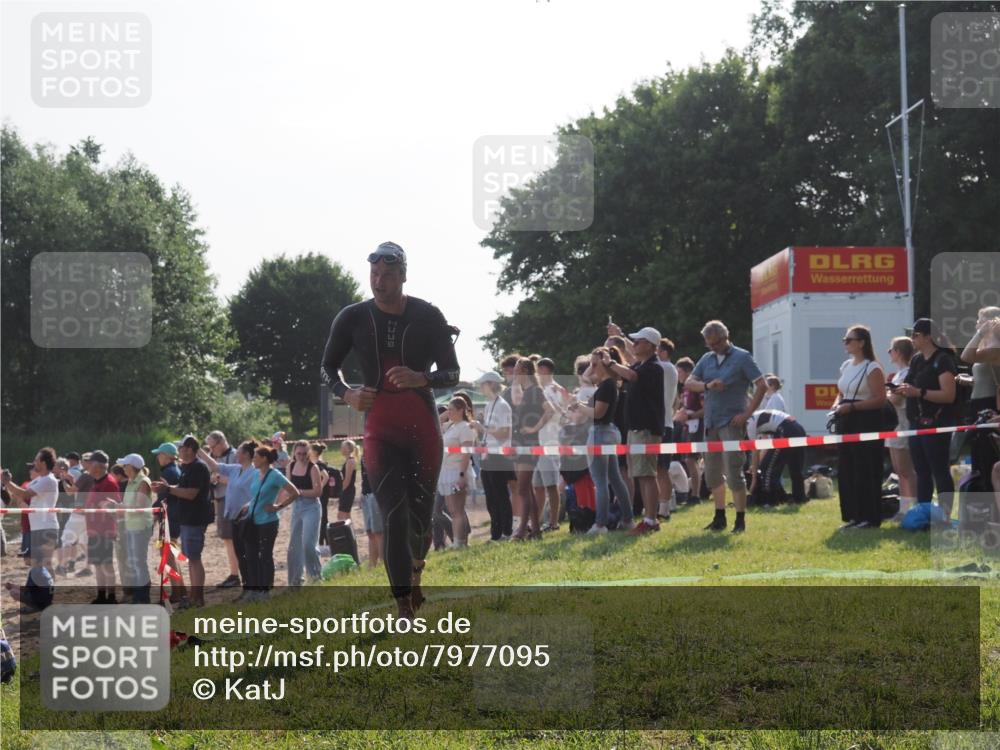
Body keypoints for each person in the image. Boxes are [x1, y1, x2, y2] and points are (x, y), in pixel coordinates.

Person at [321, 241, 460, 618]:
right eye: (373, 275)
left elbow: (452, 373)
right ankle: (403, 607)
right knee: (394, 516)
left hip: (422, 429)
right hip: (380, 427)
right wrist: (346, 394)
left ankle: (416, 573)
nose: (378, 283)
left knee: (419, 517)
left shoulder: (427, 315)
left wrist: (421, 378)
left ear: (403, 276)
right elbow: (327, 367)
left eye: (387, 275)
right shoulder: (351, 317)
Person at [686, 320, 767, 533]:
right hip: (711, 423)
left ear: (725, 337)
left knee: (733, 471)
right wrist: (707, 385)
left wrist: (747, 414)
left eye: (715, 343)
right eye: (709, 344)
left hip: (732, 422)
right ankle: (719, 516)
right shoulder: (706, 359)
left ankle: (740, 520)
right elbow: (688, 383)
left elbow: (762, 385)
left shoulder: (742, 357)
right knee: (712, 473)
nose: (712, 347)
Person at [603, 327, 665, 534]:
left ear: (649, 345)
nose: (635, 345)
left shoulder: (653, 367)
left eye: (638, 342)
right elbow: (630, 368)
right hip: (636, 428)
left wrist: (611, 363)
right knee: (641, 474)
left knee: (647, 475)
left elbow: (631, 375)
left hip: (646, 428)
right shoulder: (642, 364)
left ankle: (650, 520)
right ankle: (648, 519)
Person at [898, 318, 958, 519]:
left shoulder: (943, 359)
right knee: (921, 470)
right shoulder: (916, 360)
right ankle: (923, 514)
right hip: (917, 422)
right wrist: (900, 390)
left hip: (938, 423)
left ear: (928, 337)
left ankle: (946, 515)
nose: (912, 339)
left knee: (939, 469)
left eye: (915, 335)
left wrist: (919, 392)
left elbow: (948, 395)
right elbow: (909, 385)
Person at [570, 347, 632, 534]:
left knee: (600, 481)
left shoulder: (606, 386)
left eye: (595, 363)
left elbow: (598, 414)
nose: (592, 367)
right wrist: (597, 362)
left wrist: (579, 406)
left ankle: (601, 523)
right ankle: (627, 519)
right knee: (615, 479)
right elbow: (586, 377)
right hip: (608, 433)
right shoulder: (609, 384)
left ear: (605, 364)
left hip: (600, 433)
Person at [831, 325, 887, 529]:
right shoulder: (846, 365)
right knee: (847, 469)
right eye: (844, 340)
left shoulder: (872, 367)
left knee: (865, 469)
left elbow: (880, 399)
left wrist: (852, 407)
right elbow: (841, 392)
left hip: (867, 421)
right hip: (846, 421)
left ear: (862, 342)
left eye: (849, 340)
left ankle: (869, 517)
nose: (845, 343)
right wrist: (837, 405)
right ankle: (853, 515)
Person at [151, 436, 213, 608]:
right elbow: (181, 489)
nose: (180, 451)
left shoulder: (198, 467)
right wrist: (168, 489)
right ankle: (191, 597)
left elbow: (191, 493)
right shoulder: (187, 467)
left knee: (194, 559)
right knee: (191, 559)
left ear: (190, 449)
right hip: (186, 519)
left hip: (194, 519)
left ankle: (197, 598)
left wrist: (168, 489)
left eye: (182, 448)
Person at [199, 440, 260, 599]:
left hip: (247, 519)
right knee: (240, 553)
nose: (236, 453)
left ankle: (255, 588)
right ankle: (247, 588)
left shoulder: (255, 472)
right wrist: (198, 450)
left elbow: (258, 494)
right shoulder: (235, 469)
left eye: (239, 451)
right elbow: (214, 466)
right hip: (234, 518)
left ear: (246, 455)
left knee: (250, 554)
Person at [244, 444, 299, 599]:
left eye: (255, 456)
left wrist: (278, 506)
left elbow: (295, 492)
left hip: (268, 522)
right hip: (252, 520)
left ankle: (265, 591)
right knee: (251, 555)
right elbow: (255, 495)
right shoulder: (255, 474)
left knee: (265, 555)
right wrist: (247, 506)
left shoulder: (274, 475)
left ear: (264, 459)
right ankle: (254, 590)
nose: (252, 459)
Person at [510, 357, 555, 540]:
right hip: (521, 444)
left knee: (522, 488)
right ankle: (535, 530)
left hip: (529, 444)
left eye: (516, 370)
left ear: (524, 371)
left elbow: (550, 410)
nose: (514, 374)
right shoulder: (526, 391)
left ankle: (522, 529)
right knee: (526, 489)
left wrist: (534, 428)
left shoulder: (535, 391)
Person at [472, 371, 514, 541]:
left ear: (490, 384)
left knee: (500, 494)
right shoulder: (490, 405)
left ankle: (506, 531)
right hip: (489, 454)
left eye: (483, 384)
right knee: (491, 496)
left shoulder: (502, 405)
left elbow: (504, 433)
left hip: (499, 455)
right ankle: (496, 533)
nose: (481, 388)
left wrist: (482, 429)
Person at [3, 448, 59, 574]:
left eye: (36, 460)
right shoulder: (39, 480)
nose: (34, 463)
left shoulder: (48, 480)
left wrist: (7, 482)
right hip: (38, 527)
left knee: (44, 565)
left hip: (46, 527)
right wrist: (9, 485)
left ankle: (48, 592)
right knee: (39, 565)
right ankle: (45, 592)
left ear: (43, 463)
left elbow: (24, 494)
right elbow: (21, 495)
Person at [112, 454, 154, 603]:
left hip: (140, 527)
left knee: (138, 562)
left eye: (125, 465)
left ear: (131, 467)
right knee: (134, 561)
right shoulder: (132, 481)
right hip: (131, 526)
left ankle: (142, 597)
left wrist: (119, 507)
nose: (123, 468)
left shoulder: (142, 482)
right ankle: (139, 595)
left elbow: (139, 506)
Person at [886, 336, 918, 518]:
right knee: (899, 470)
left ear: (898, 352)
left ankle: (911, 508)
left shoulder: (907, 373)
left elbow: (897, 399)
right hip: (894, 424)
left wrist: (885, 396)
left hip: (902, 424)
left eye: (891, 350)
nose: (889, 354)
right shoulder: (898, 374)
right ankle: (903, 507)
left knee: (906, 470)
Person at [83, 451, 121, 603]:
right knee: (98, 565)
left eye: (90, 463)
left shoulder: (109, 483)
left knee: (106, 564)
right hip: (93, 531)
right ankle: (101, 595)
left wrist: (109, 506)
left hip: (104, 531)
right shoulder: (96, 481)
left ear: (98, 466)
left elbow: (117, 508)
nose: (87, 466)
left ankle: (111, 597)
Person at [746, 409, 807, 504]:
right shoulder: (758, 417)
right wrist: (755, 466)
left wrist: (754, 479)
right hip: (798, 429)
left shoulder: (749, 424)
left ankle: (770, 500)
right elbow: (765, 446)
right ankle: (799, 497)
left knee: (767, 469)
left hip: (785, 430)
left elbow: (755, 451)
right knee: (795, 468)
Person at [150, 442, 186, 602]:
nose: (158, 457)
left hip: (169, 517)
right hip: (173, 516)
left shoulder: (170, 472)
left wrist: (153, 510)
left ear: (166, 456)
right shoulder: (173, 470)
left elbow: (165, 497)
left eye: (159, 454)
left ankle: (178, 592)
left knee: (168, 554)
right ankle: (180, 589)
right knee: (170, 553)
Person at [205, 431, 241, 589]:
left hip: (232, 500)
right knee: (227, 538)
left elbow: (239, 480)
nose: (211, 451)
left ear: (221, 443)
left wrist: (218, 478)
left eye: (212, 447)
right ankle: (234, 572)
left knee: (233, 538)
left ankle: (235, 574)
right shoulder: (215, 457)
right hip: (220, 499)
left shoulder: (235, 456)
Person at [285, 440, 324, 586]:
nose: (301, 456)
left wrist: (300, 492)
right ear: (294, 453)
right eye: (298, 453)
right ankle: (295, 582)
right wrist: (279, 505)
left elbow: (318, 491)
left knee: (308, 544)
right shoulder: (290, 466)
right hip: (296, 507)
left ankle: (315, 578)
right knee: (294, 546)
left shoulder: (313, 468)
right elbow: (288, 488)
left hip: (311, 507)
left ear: (308, 453)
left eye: (303, 453)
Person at [439, 397, 476, 548]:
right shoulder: (451, 427)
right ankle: (458, 542)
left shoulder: (465, 427)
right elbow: (437, 422)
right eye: (448, 409)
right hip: (447, 471)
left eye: (452, 409)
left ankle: (460, 543)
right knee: (453, 511)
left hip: (457, 471)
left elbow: (466, 453)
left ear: (461, 410)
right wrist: (447, 413)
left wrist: (461, 475)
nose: (449, 412)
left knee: (458, 510)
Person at [535, 358, 567, 531]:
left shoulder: (553, 389)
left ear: (544, 370)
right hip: (540, 442)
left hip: (549, 441)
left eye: (538, 370)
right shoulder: (545, 389)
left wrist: (535, 427)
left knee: (550, 485)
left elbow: (556, 412)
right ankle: (538, 521)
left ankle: (553, 522)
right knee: (538, 485)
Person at [655, 338, 679, 517]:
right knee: (660, 469)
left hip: (663, 425)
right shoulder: (668, 370)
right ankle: (668, 503)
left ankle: (664, 508)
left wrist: (621, 337)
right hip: (666, 423)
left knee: (661, 470)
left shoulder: (666, 368)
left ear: (663, 352)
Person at [675, 358, 704, 502]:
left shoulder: (696, 387)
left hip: (696, 426)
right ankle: (692, 490)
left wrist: (691, 415)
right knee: (687, 460)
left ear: (688, 372)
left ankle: (696, 494)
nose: (677, 375)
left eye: (679, 371)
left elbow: (706, 409)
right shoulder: (684, 389)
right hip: (687, 426)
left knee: (691, 459)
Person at [359, 459, 384, 567]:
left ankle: (383, 563)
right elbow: (364, 475)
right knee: (370, 532)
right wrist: (362, 492)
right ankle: (372, 564)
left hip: (376, 494)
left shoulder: (378, 447)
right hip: (366, 494)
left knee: (379, 532)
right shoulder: (364, 451)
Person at [310, 442, 333, 551]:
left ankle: (325, 543)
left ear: (314, 452)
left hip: (322, 495)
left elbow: (326, 476)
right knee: (322, 517)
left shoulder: (319, 464)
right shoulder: (316, 463)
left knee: (322, 518)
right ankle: (323, 542)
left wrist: (319, 488)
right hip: (321, 494)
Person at [337, 440, 357, 521]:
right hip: (347, 491)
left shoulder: (350, 461)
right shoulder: (348, 461)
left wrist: (338, 492)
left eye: (343, 447)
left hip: (348, 491)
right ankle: (350, 533)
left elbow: (347, 480)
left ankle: (345, 533)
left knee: (341, 516)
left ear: (348, 449)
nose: (341, 449)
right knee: (347, 516)